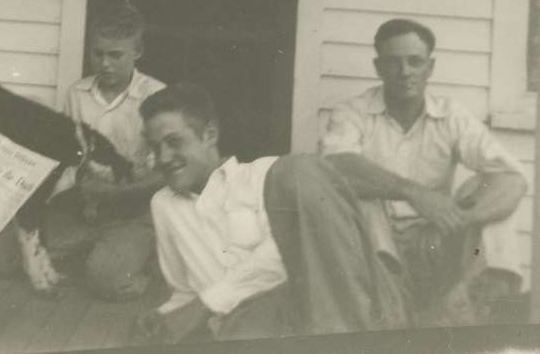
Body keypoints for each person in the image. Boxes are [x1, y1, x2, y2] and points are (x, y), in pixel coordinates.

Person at [134, 83, 406, 344]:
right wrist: (164, 317)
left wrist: (206, 304)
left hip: (310, 305)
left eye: (174, 142)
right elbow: (184, 290)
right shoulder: (164, 205)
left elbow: (288, 256)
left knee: (300, 169)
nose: (163, 158)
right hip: (241, 323)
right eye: (155, 147)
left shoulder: (267, 175)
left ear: (210, 135)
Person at [320, 18, 527, 325]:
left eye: (415, 62)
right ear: (378, 67)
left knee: (486, 187)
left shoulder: (450, 114)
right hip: (376, 244)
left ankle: (487, 307)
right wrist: (414, 193)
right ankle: (392, 306)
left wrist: (456, 218)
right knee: (363, 195)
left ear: (429, 67)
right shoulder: (353, 112)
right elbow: (337, 167)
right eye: (393, 62)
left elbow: (512, 179)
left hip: (436, 239)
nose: (405, 72)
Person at [45, 1, 166, 300]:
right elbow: (68, 154)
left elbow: (166, 172)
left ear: (137, 52)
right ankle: (98, 251)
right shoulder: (78, 93)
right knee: (13, 257)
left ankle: (145, 258)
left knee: (107, 282)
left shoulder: (157, 95)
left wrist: (116, 193)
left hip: (135, 209)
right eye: (98, 54)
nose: (105, 63)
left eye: (116, 55)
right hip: (87, 207)